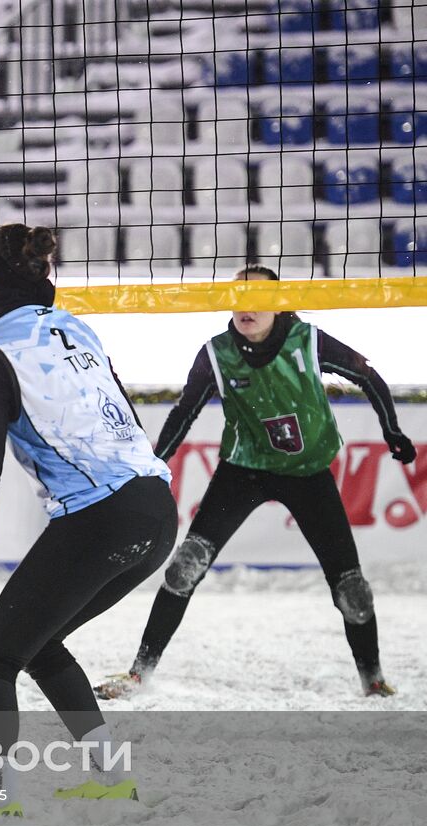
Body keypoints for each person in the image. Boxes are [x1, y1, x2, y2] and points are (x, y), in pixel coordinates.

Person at [0, 223, 177, 823]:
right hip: (156, 509)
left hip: (102, 517)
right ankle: (110, 779)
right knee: (38, 641)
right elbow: (128, 419)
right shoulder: (78, 327)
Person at [95, 265, 416, 701]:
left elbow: (369, 376)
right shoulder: (216, 353)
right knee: (184, 567)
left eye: (259, 298)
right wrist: (156, 463)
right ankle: (139, 673)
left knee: (350, 586)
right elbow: (184, 412)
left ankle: (373, 679)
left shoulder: (308, 340)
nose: (248, 306)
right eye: (240, 296)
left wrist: (392, 431)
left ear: (279, 304)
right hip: (241, 471)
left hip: (307, 474)